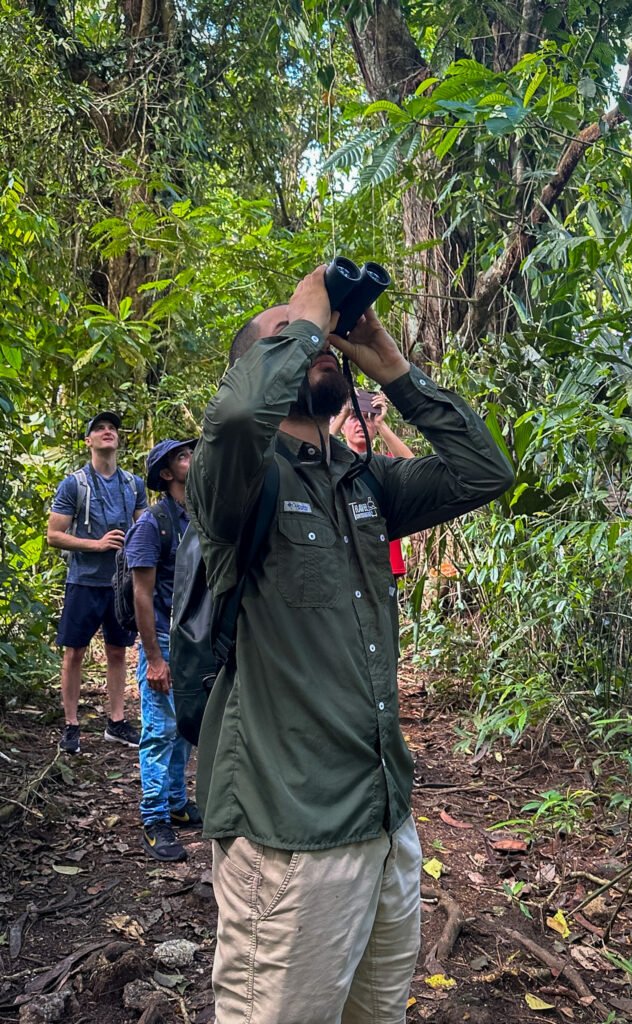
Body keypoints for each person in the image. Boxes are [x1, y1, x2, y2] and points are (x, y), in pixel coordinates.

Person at [186, 266, 513, 1024]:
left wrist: (391, 366)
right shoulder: (235, 479)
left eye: (318, 335)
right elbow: (236, 421)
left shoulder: (363, 484)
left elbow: (486, 472)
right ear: (256, 369)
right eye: (287, 337)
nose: (317, 341)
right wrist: (301, 322)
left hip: (384, 819)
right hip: (291, 833)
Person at [47, 411, 147, 755]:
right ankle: (71, 725)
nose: (107, 432)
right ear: (88, 441)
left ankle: (116, 722)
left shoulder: (133, 485)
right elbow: (54, 535)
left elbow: (142, 529)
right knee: (74, 651)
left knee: (118, 650)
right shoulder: (75, 484)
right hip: (85, 581)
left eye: (112, 429)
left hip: (121, 584)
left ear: (118, 439)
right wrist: (97, 545)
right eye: (99, 429)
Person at [125, 439, 202, 862]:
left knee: (185, 727)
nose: (191, 459)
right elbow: (142, 593)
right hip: (164, 641)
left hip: (192, 642)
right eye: (182, 457)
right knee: (158, 730)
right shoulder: (153, 524)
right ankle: (155, 820)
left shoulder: (197, 516)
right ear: (167, 474)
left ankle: (176, 802)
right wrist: (153, 657)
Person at [332, 389, 415, 578]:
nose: (361, 423)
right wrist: (343, 412)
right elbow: (312, 459)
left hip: (383, 564)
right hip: (344, 566)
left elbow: (413, 467)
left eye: (368, 417)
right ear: (343, 427)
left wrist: (381, 424)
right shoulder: (331, 465)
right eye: (354, 417)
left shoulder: (384, 466)